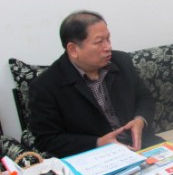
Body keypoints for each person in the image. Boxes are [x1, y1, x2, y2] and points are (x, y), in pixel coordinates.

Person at [29, 10, 159, 157]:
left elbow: (144, 97)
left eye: (108, 39)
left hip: (142, 144)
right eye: (99, 42)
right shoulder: (46, 86)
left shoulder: (122, 61)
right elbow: (47, 139)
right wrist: (98, 143)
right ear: (73, 49)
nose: (108, 47)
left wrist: (140, 120)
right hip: (93, 157)